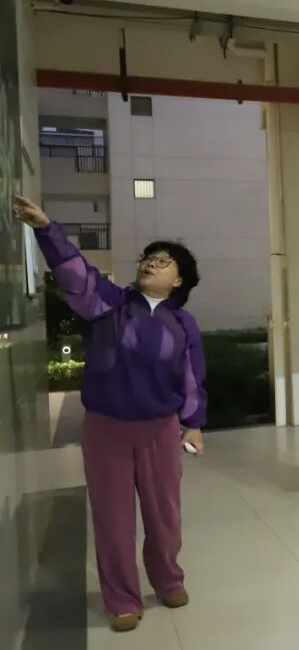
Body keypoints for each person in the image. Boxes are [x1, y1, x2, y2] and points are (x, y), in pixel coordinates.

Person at [13, 193, 206, 634]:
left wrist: (193, 424)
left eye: (163, 261)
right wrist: (46, 229)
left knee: (164, 515)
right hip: (106, 430)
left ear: (179, 280)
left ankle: (168, 579)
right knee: (113, 518)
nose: (152, 263)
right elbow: (75, 273)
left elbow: (192, 376)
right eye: (148, 258)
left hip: (160, 429)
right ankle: (121, 598)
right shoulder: (107, 303)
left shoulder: (183, 324)